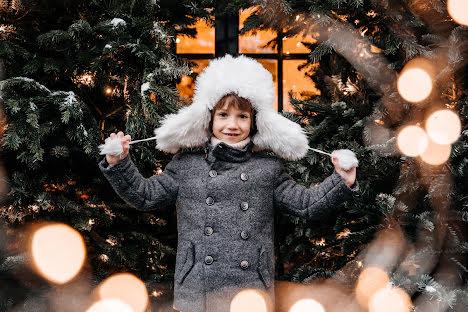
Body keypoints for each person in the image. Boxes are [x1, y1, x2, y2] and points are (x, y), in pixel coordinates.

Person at [99, 55, 358, 312]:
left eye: (242, 116)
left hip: (250, 288)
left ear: (254, 121)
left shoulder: (267, 169)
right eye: (223, 115)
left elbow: (305, 205)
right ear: (209, 119)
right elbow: (145, 195)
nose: (232, 125)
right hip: (197, 286)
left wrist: (340, 181)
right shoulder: (186, 165)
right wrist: (119, 163)